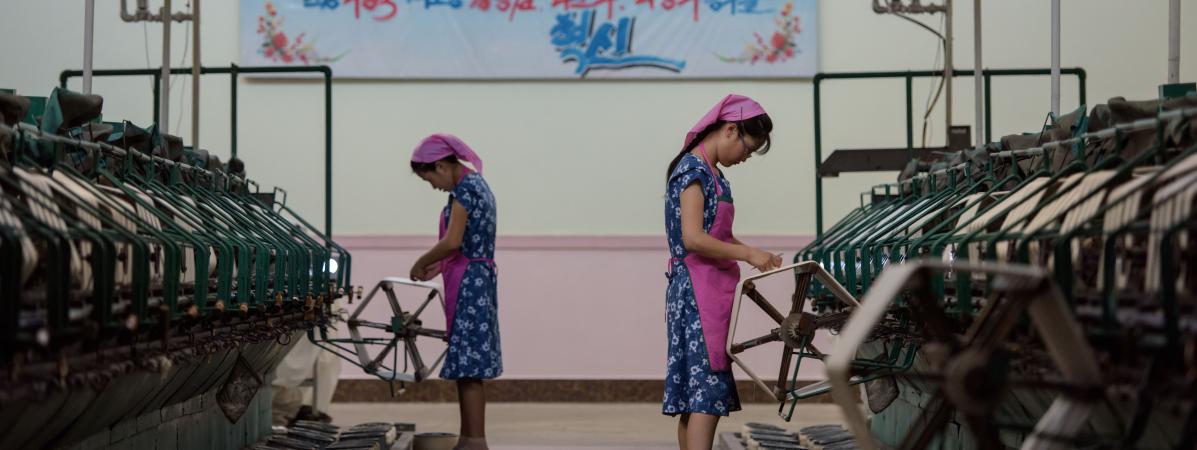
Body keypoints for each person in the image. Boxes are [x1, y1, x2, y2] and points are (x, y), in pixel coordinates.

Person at [662, 95, 783, 450]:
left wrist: (755, 255)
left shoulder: (716, 177)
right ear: (731, 129)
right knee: (704, 394)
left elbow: (718, 237)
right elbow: (694, 238)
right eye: (749, 147)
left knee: (696, 393)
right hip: (697, 294)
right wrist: (746, 253)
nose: (746, 157)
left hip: (709, 291)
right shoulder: (692, 172)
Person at [408, 134, 502, 450]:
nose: (433, 185)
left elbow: (452, 242)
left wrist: (421, 261)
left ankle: (474, 441)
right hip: (478, 277)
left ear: (441, 165)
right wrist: (438, 267)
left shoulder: (466, 191)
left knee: (469, 368)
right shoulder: (479, 185)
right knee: (469, 366)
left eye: (430, 178)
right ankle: (470, 438)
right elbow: (469, 243)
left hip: (470, 284)